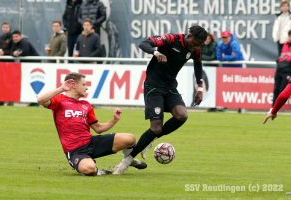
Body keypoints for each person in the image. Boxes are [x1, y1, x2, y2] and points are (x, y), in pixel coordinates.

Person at [112, 25, 208, 174]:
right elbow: (144, 43)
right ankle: (127, 160)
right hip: (154, 86)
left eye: (199, 45)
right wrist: (155, 52)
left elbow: (198, 64)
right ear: (188, 37)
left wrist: (200, 88)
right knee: (156, 127)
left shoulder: (195, 50)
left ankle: (150, 140)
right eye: (195, 44)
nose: (196, 47)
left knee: (182, 115)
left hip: (170, 87)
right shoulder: (172, 39)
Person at [37, 72, 146, 176]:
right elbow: (40, 100)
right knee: (90, 170)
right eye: (84, 85)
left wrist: (114, 120)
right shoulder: (59, 100)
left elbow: (98, 128)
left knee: (130, 138)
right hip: (75, 150)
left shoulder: (86, 105)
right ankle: (99, 172)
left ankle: (129, 159)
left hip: (91, 143)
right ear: (73, 85)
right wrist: (61, 88)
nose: (86, 88)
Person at [269, 30, 291, 113]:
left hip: (287, 71)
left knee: (283, 91)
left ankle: (276, 110)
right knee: (276, 90)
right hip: (280, 69)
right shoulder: (285, 44)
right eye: (290, 36)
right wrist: (279, 63)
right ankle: (273, 109)